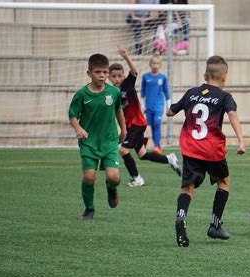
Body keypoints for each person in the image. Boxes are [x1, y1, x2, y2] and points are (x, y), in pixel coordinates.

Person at [166, 55, 246, 247]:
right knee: (224, 182)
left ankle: (181, 218)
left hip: (190, 147)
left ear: (205, 75)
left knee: (187, 188)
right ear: (224, 77)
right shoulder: (224, 96)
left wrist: (170, 108)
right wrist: (241, 141)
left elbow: (170, 112)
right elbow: (233, 115)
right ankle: (215, 225)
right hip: (212, 148)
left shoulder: (191, 93)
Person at [108, 46, 181, 187]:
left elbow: (134, 71)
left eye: (119, 76)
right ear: (109, 77)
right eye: (113, 76)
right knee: (142, 154)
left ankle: (136, 178)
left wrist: (126, 56)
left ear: (123, 76)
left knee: (123, 151)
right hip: (131, 127)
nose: (117, 79)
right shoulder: (112, 92)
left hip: (137, 123)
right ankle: (169, 159)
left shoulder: (127, 85)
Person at [68, 54, 126, 220]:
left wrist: (123, 130)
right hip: (89, 142)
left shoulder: (114, 92)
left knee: (114, 177)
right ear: (89, 73)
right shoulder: (82, 94)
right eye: (98, 72)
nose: (102, 75)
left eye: (105, 72)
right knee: (89, 176)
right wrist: (78, 128)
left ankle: (111, 188)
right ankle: (89, 209)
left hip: (109, 140)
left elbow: (118, 111)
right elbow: (72, 114)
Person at [141, 55, 170, 153]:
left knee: (157, 124)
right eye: (153, 63)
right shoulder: (145, 77)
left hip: (159, 105)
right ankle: (152, 145)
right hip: (148, 106)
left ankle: (157, 146)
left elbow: (166, 92)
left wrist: (168, 105)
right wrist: (142, 105)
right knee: (150, 125)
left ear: (160, 65)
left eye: (157, 63)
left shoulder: (162, 77)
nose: (155, 65)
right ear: (150, 64)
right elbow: (142, 92)